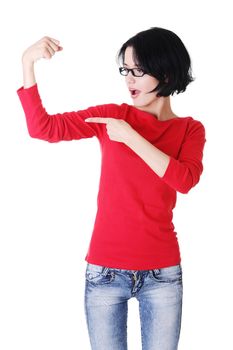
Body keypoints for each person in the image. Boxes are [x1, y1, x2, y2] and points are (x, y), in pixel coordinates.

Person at [17, 27, 206, 350]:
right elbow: (43, 128)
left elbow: (184, 180)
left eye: (138, 71)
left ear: (166, 72)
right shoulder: (112, 116)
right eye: (126, 70)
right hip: (105, 272)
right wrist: (27, 63)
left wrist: (130, 135)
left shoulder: (189, 129)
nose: (129, 79)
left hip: (162, 274)